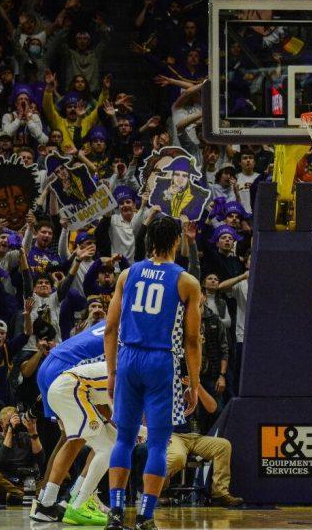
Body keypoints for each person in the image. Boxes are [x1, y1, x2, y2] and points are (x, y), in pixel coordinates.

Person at [104, 217, 203, 530]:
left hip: (128, 357)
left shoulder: (127, 274)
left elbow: (110, 328)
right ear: (175, 242)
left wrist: (111, 373)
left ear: (148, 241)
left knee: (124, 438)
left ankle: (116, 512)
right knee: (159, 443)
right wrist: (195, 384)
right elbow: (191, 340)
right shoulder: (186, 281)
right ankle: (146, 517)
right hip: (161, 360)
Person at [31, 321, 112, 524]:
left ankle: (46, 500)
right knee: (101, 436)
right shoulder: (132, 333)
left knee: (74, 437)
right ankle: (76, 498)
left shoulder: (112, 319)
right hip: (68, 370)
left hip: (51, 364)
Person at [0, 406, 42, 504]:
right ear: (1, 424)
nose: (14, 425)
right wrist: (10, 430)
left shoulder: (26, 437)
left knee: (61, 476)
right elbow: (1, 459)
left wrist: (33, 431)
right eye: (9, 423)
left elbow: (40, 459)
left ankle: (19, 497)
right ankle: (26, 497)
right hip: (7, 483)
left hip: (29, 482)